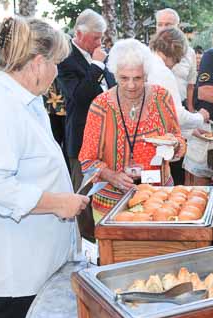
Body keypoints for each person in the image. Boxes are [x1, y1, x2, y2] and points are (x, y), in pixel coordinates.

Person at [0, 17, 89, 318]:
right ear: (38, 63)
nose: (57, 72)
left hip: (36, 255)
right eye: (56, 63)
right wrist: (58, 203)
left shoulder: (24, 100)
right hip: (16, 264)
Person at [78, 39, 186, 223]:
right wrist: (111, 175)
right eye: (124, 78)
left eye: (137, 78)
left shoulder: (162, 97)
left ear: (146, 75)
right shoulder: (101, 105)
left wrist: (174, 145)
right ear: (115, 74)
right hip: (111, 203)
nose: (131, 85)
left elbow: (178, 140)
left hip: (159, 200)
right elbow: (87, 161)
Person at [57, 9, 116, 193]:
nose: (99, 43)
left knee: (106, 193)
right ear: (80, 34)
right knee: (83, 196)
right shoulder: (65, 58)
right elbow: (80, 97)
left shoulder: (101, 55)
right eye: (95, 38)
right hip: (82, 140)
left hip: (108, 137)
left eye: (101, 38)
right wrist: (97, 65)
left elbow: (112, 88)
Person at [149, 27, 209, 184]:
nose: (175, 64)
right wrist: (200, 117)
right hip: (159, 146)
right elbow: (177, 116)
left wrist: (190, 130)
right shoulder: (162, 71)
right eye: (178, 59)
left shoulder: (148, 62)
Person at [156, 8, 197, 112]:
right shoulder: (147, 53)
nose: (163, 28)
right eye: (159, 24)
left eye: (168, 24)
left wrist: (191, 109)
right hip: (155, 108)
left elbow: (190, 85)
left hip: (181, 108)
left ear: (178, 27)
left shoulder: (189, 53)